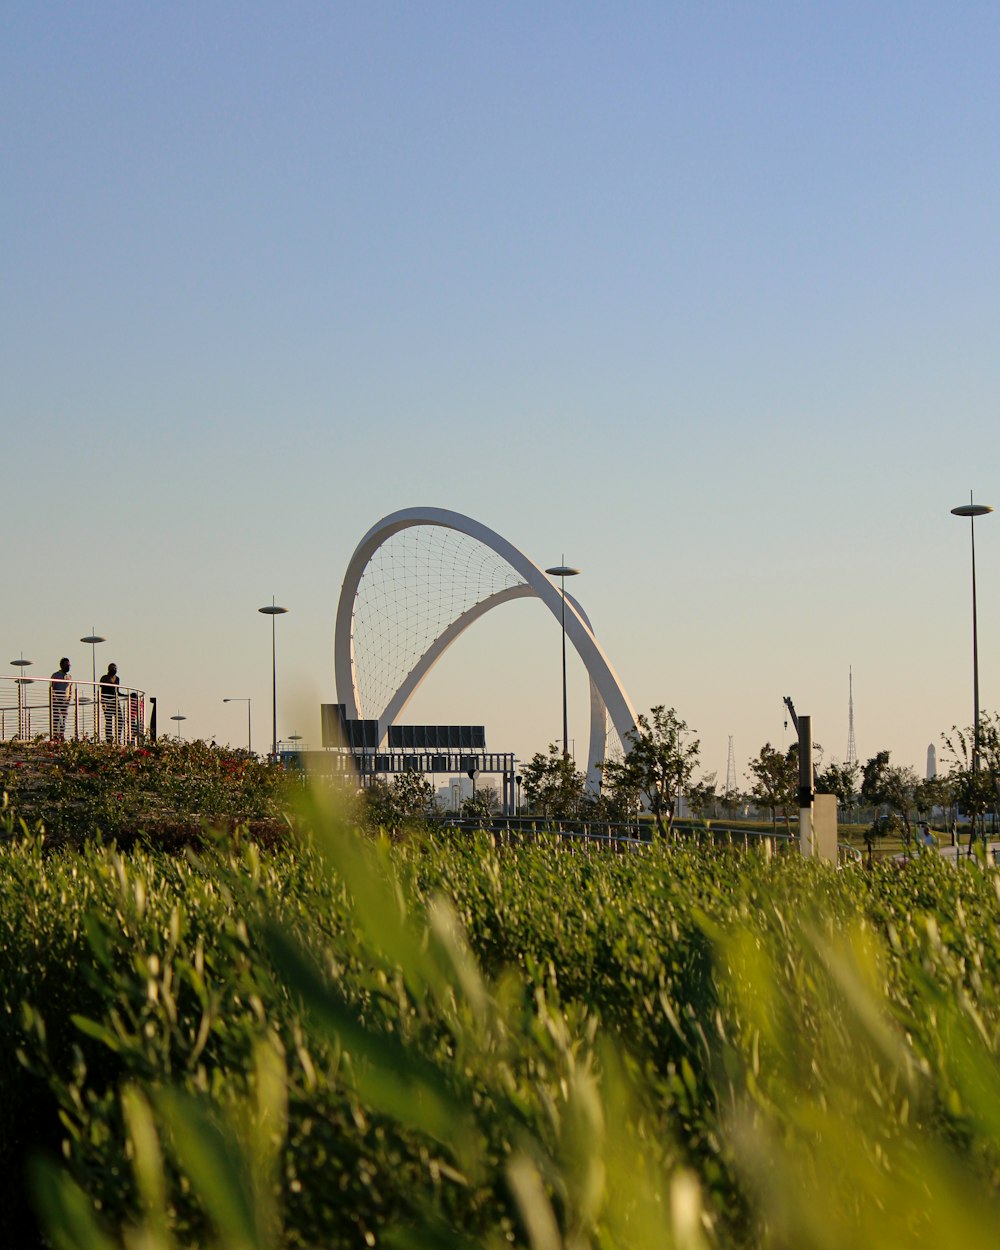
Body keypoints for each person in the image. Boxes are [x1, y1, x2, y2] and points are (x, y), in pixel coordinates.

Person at [50, 657, 72, 741]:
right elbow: (52, 687)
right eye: (66, 665)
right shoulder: (55, 675)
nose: (68, 667)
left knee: (63, 719)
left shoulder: (69, 676)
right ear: (61, 665)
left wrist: (69, 698)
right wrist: (54, 698)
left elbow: (70, 689)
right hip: (57, 699)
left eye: (69, 665)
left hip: (65, 701)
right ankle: (55, 735)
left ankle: (62, 735)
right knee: (57, 718)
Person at [99, 663, 121, 743]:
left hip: (115, 700)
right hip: (107, 701)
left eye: (115, 668)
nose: (114, 670)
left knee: (120, 719)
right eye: (112, 668)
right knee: (109, 720)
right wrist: (103, 702)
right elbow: (102, 691)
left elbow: (117, 691)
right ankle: (109, 739)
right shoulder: (104, 678)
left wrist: (127, 695)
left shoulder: (117, 678)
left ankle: (118, 738)